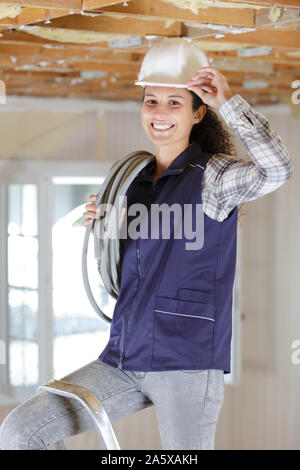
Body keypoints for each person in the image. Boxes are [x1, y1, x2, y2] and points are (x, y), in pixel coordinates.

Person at [0, 38, 294, 451]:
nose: (159, 113)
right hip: (124, 356)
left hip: (187, 366)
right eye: (151, 100)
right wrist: (108, 228)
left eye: (175, 103)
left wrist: (229, 102)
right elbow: (136, 272)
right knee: (20, 431)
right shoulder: (134, 184)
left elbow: (278, 169)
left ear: (198, 112)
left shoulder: (214, 179)